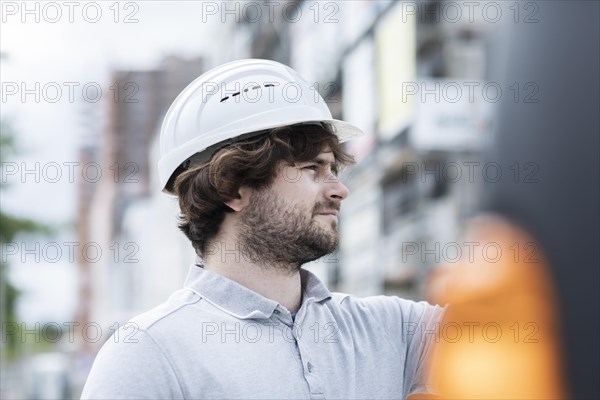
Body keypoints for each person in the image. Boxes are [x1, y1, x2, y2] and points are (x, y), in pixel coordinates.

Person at [81, 59, 446, 400]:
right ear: (232, 188)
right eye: (311, 170)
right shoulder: (145, 355)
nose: (339, 189)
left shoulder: (392, 329)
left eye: (333, 170)